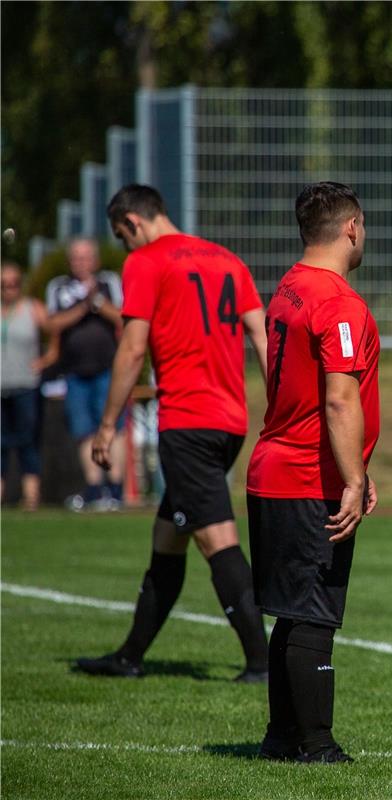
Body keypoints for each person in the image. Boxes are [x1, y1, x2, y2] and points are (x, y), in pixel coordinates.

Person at [77, 184, 270, 685]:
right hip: (229, 422)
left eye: (123, 237)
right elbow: (262, 334)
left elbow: (132, 349)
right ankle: (130, 656)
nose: (126, 248)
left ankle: (262, 663)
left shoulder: (146, 263)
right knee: (169, 536)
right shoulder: (228, 260)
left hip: (187, 422)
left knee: (216, 539)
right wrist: (281, 403)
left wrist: (106, 426)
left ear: (133, 223)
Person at [246, 182, 379, 764]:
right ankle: (317, 745)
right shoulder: (336, 301)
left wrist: (358, 469)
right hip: (307, 477)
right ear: (351, 227)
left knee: (293, 613)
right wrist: (352, 478)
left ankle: (281, 737)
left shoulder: (288, 288)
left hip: (272, 468)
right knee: (315, 615)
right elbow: (339, 399)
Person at [45, 237, 126, 510]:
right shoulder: (59, 287)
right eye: (76, 257)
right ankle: (93, 489)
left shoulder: (109, 282)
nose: (81, 262)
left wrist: (98, 301)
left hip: (108, 369)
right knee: (84, 431)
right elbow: (52, 323)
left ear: (95, 260)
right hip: (74, 372)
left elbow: (123, 317)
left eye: (86, 257)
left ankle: (115, 490)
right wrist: (82, 305)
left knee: (113, 429)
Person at [1, 261, 58, 509]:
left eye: (13, 284)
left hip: (27, 385)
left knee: (28, 441)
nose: (8, 289)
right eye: (3, 285)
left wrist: (46, 358)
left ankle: (31, 496)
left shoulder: (32, 308)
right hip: (1, 385)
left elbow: (54, 333)